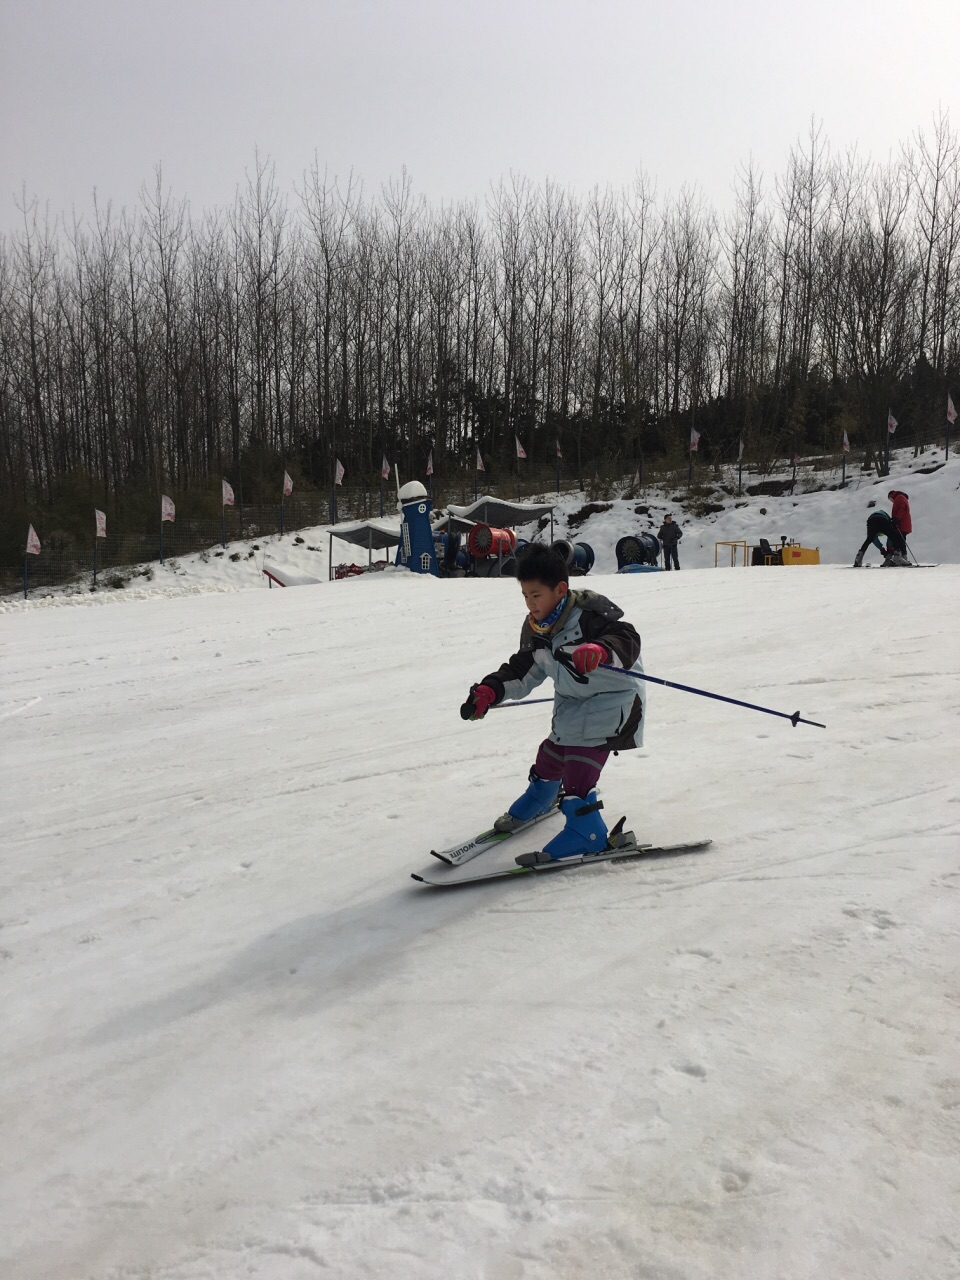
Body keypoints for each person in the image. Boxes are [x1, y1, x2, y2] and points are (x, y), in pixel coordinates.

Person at [460, 543, 645, 861]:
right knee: (551, 755)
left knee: (579, 766)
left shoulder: (590, 616)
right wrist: (490, 691)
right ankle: (543, 796)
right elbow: (522, 671)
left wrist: (600, 650)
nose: (531, 604)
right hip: (573, 705)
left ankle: (588, 832)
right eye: (526, 596)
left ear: (561, 589)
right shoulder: (538, 630)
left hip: (614, 703)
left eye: (537, 595)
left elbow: (626, 638)